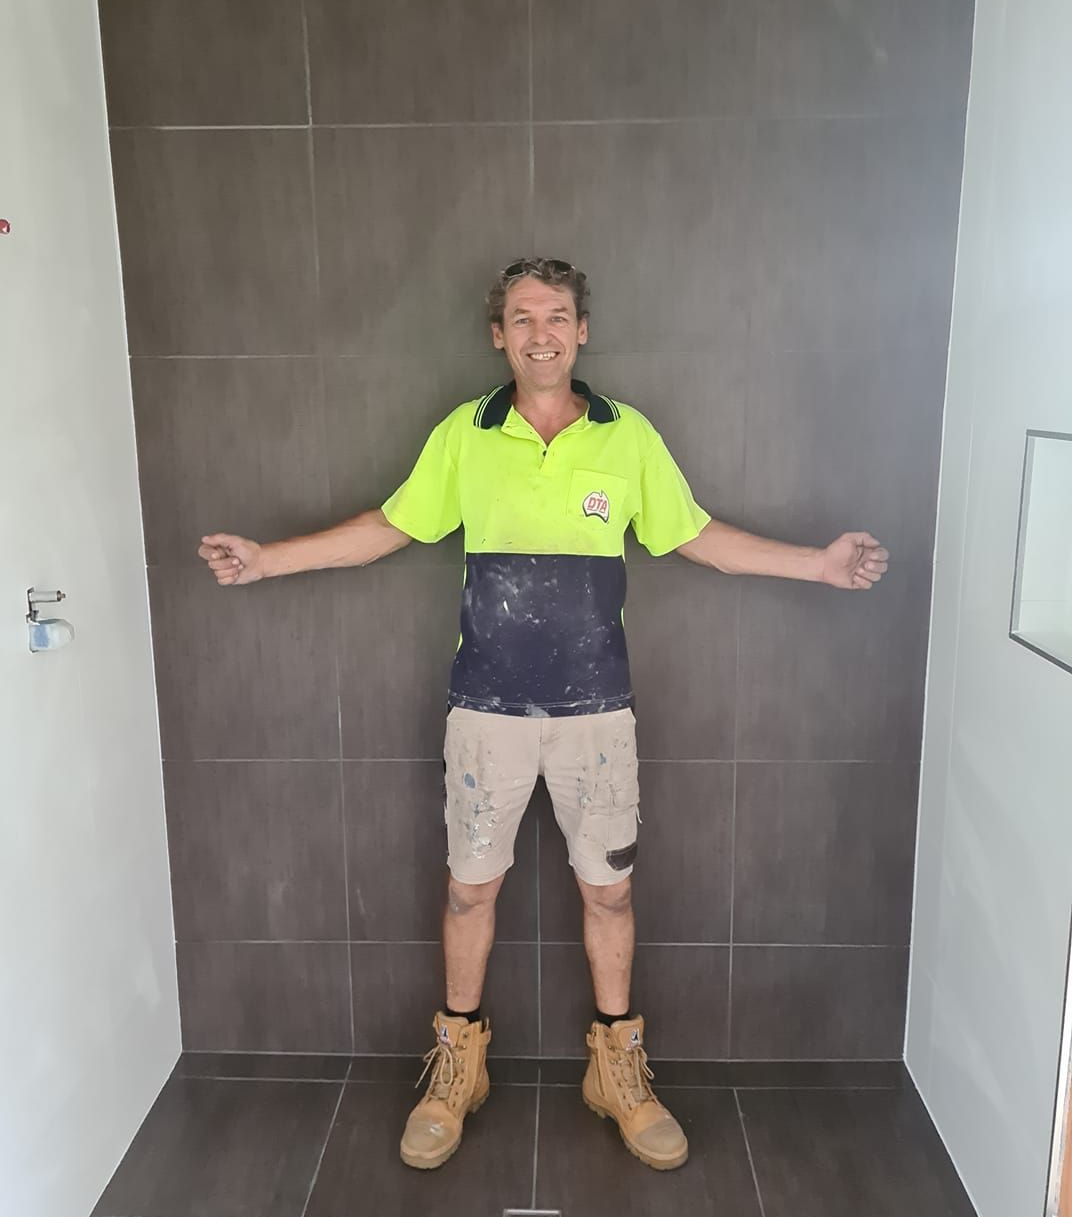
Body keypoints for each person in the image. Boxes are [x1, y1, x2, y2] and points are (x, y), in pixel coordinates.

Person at [197, 257, 888, 1173]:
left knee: (609, 890)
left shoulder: (626, 436)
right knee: (468, 888)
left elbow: (698, 536)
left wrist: (820, 564)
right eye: (522, 318)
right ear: (499, 335)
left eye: (556, 316)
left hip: (597, 715)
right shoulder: (467, 434)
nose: (540, 333)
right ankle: (459, 1066)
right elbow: (390, 526)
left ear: (581, 330)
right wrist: (266, 558)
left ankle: (617, 1068)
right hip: (486, 712)